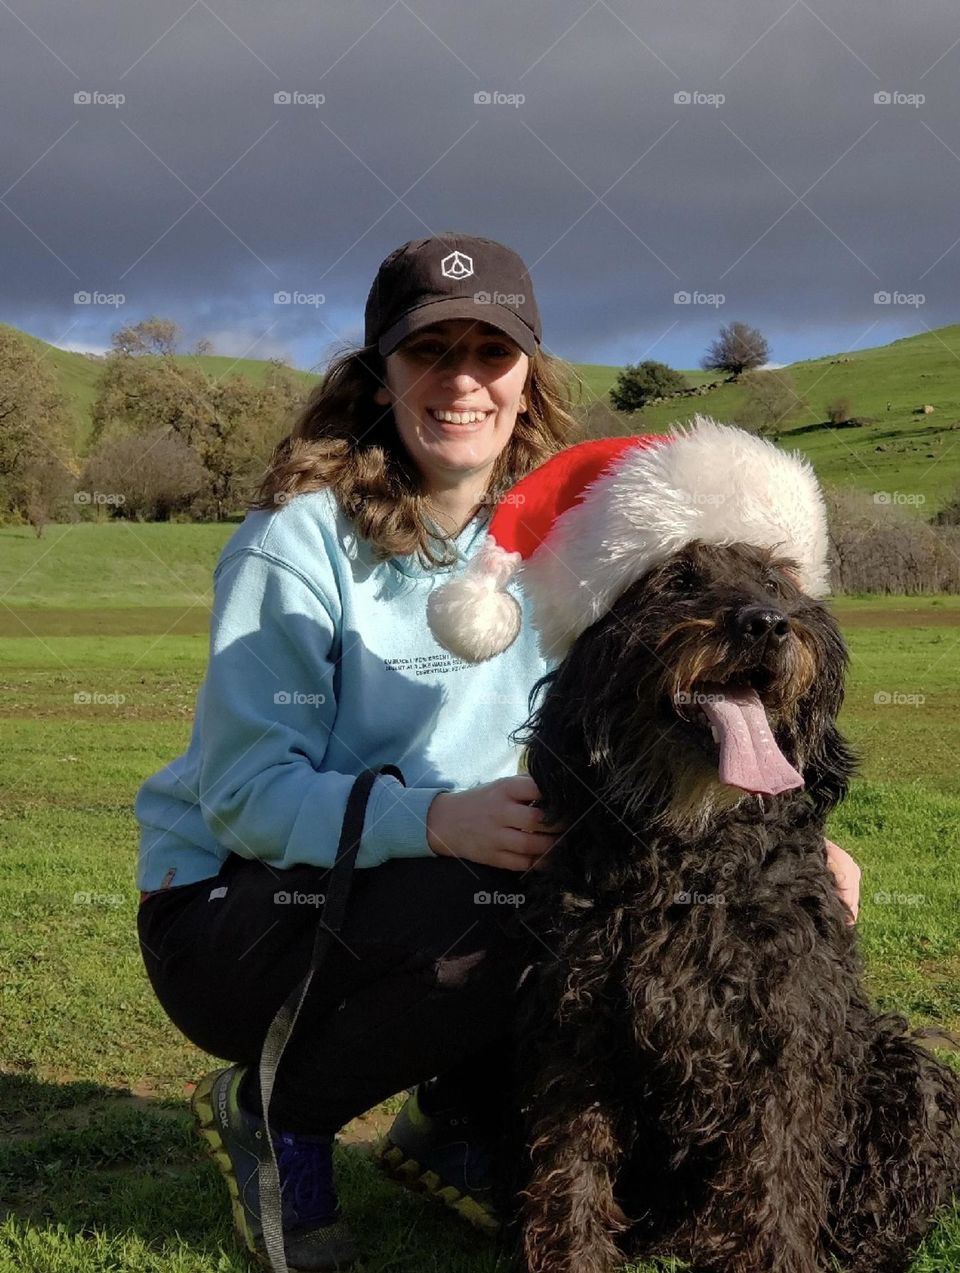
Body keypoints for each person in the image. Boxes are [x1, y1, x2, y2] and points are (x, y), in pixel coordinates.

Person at [134, 232, 862, 1273]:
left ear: (529, 375)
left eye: (493, 350)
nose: (464, 379)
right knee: (524, 908)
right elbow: (244, 793)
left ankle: (455, 1115)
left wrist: (796, 847)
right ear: (379, 373)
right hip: (230, 909)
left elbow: (635, 742)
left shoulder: (575, 545)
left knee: (585, 909)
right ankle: (280, 1106)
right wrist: (428, 815)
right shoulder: (293, 542)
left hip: (453, 869)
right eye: (433, 351)